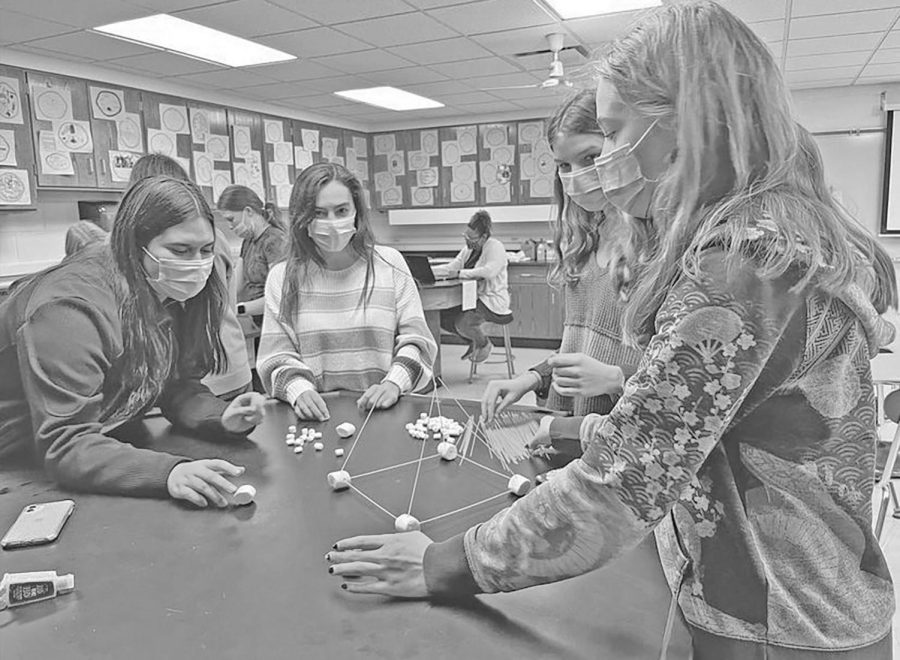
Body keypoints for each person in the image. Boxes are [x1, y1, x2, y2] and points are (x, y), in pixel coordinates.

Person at [327, 2, 897, 657]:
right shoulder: (772, 240)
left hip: (780, 621)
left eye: (615, 131)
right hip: (775, 599)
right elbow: (707, 434)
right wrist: (573, 430)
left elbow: (624, 484)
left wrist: (445, 563)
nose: (606, 163)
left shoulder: (742, 272)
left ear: (687, 124)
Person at [0, 176, 267, 507]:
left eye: (206, 250)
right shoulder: (69, 308)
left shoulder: (162, 288)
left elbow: (175, 385)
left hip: (96, 448)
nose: (196, 263)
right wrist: (168, 472)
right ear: (134, 245)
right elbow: (65, 443)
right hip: (17, 465)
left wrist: (220, 416)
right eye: (179, 250)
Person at [481, 90, 643, 454]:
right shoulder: (584, 243)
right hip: (565, 426)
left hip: (618, 438)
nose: (576, 177)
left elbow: (680, 381)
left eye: (590, 157)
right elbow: (577, 350)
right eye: (564, 166)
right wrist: (532, 377)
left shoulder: (653, 252)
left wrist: (617, 379)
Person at [256, 163, 437, 422]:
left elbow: (418, 341)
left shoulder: (389, 264)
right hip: (316, 419)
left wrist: (394, 383)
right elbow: (276, 355)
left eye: (341, 211)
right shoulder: (283, 277)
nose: (331, 223)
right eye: (318, 213)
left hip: (385, 412)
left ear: (356, 212)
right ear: (301, 217)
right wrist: (299, 390)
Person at [129, 154, 252, 399]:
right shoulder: (212, 237)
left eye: (202, 251)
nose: (195, 257)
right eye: (180, 251)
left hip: (205, 374)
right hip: (220, 368)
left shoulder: (203, 240)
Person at [433, 210, 511, 363]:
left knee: (463, 323)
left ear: (483, 237)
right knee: (441, 317)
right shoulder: (468, 250)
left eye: (472, 238)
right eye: (466, 236)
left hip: (491, 300)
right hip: (472, 299)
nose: (468, 241)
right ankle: (472, 340)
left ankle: (484, 343)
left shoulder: (495, 246)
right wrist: (431, 271)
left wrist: (461, 273)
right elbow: (452, 268)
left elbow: (489, 271)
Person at [216, 185, 288, 325]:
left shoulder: (275, 241)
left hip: (277, 323)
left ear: (248, 211)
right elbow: (236, 283)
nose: (230, 226)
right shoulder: (248, 242)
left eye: (231, 219)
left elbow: (279, 296)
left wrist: (238, 309)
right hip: (260, 323)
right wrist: (220, 300)